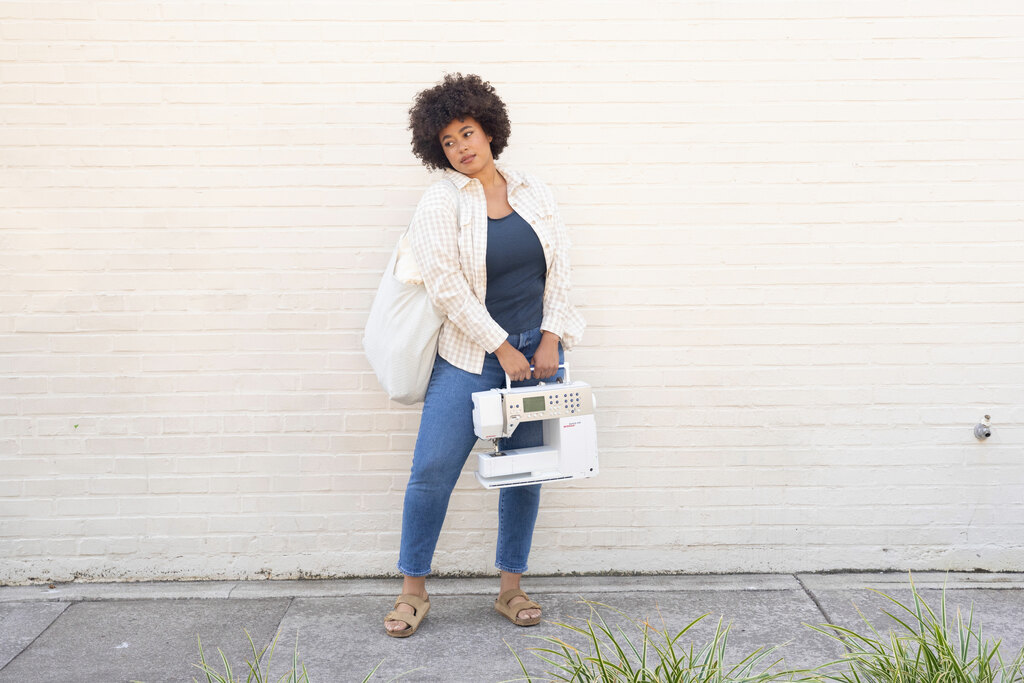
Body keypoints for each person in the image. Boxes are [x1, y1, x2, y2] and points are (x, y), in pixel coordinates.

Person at [383, 73, 585, 638]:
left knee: (525, 475)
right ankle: (413, 591)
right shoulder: (440, 200)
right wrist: (500, 345)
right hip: (471, 359)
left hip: (540, 355)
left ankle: (511, 589)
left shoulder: (533, 191)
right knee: (431, 472)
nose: (461, 147)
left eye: (467, 133)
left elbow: (561, 270)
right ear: (436, 150)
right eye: (447, 142)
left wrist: (550, 339)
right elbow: (446, 286)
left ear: (489, 130)